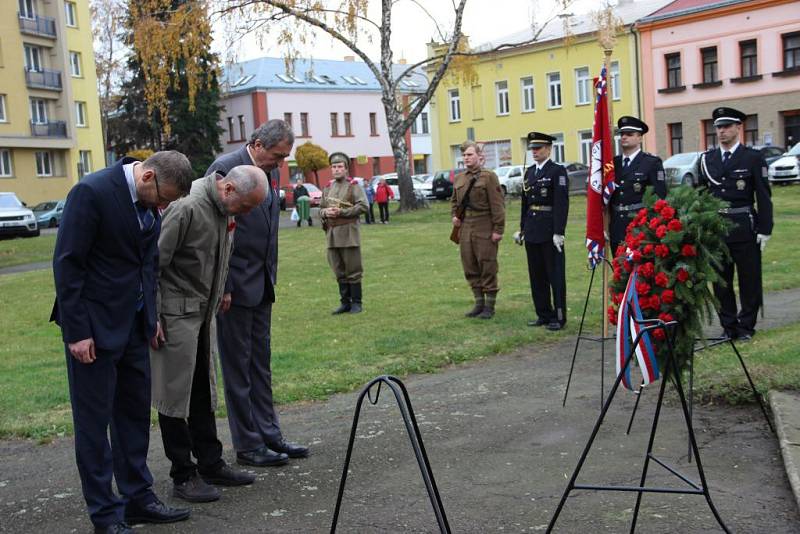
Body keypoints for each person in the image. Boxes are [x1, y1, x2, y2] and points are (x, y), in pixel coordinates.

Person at [51, 151, 194, 534]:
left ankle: (138, 499)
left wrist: (152, 318)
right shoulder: (91, 192)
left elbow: (147, 262)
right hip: (93, 331)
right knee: (94, 425)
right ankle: (106, 515)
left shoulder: (152, 200)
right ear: (147, 176)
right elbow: (67, 264)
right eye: (164, 198)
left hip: (134, 326)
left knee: (132, 416)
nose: (164, 206)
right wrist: (77, 332)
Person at [151, 166, 269, 503]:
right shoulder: (186, 206)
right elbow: (154, 264)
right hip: (175, 315)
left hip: (202, 313)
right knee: (174, 397)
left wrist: (224, 289)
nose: (245, 214)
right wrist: (154, 316)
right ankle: (183, 474)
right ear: (228, 188)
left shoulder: (222, 207)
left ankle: (210, 463)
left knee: (203, 390)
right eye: (245, 207)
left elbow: (218, 255)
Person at [207, 120, 309, 468]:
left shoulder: (269, 170)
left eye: (283, 159)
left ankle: (270, 435)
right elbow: (214, 234)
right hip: (233, 290)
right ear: (257, 144)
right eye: (277, 156)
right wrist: (224, 286)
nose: (279, 164)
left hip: (261, 284)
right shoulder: (225, 169)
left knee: (260, 365)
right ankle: (248, 445)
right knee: (238, 368)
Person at [699, 106, 773, 341]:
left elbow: (763, 195)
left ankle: (746, 326)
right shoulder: (707, 159)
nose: (721, 131)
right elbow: (700, 196)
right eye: (718, 127)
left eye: (727, 127)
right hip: (716, 228)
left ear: (738, 128)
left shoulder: (752, 158)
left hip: (744, 227)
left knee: (749, 279)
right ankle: (728, 326)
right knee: (721, 282)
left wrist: (765, 228)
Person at [519, 132, 569, 331]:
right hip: (532, 228)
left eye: (538, 148)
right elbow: (525, 204)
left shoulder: (557, 171)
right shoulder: (529, 172)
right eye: (532, 148)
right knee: (537, 275)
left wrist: (559, 231)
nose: (535, 152)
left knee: (554, 274)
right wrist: (521, 229)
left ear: (549, 149)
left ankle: (558, 316)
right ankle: (543, 313)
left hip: (549, 229)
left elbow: (561, 203)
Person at [451, 141, 505, 319]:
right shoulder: (459, 178)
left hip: (484, 224)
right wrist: (454, 216)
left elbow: (497, 205)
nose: (466, 158)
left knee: (487, 263)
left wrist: (498, 229)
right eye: (464, 155)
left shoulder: (489, 177)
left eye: (470, 155)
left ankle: (489, 306)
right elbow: (454, 202)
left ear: (480, 157)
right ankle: (478, 303)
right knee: (469, 263)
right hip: (466, 226)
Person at [609, 116, 667, 254]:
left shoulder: (651, 163)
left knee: (637, 271)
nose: (624, 137)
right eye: (622, 134)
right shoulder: (613, 163)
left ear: (640, 138)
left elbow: (660, 197)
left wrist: (652, 227)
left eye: (629, 134)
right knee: (618, 270)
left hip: (639, 226)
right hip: (617, 226)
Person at [320, 151, 368, 313]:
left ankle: (356, 302)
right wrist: (326, 213)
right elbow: (320, 209)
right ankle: (345, 302)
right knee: (338, 269)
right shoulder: (327, 188)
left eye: (340, 166)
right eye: (334, 167)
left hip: (349, 233)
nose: (336, 169)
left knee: (353, 268)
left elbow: (363, 206)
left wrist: (342, 213)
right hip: (332, 234)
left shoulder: (353, 186)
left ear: (346, 168)